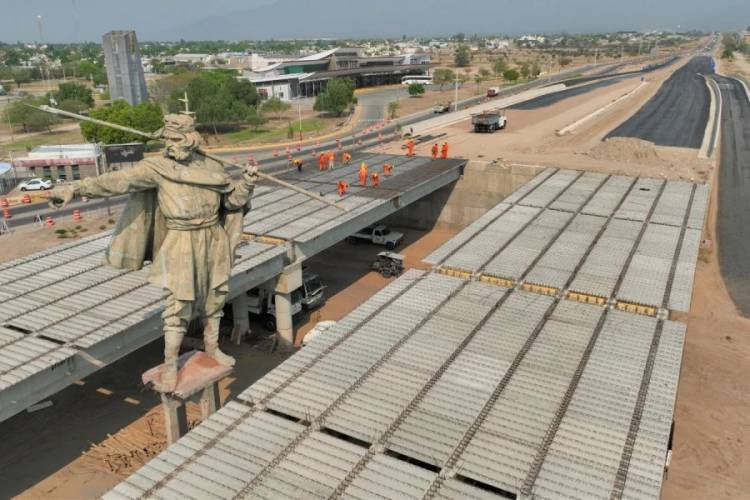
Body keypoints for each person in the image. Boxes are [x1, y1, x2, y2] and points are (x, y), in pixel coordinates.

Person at [49, 114, 257, 392]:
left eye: (175, 138)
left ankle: (213, 347)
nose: (169, 143)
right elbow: (117, 181)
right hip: (181, 240)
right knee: (177, 307)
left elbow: (231, 203)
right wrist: (75, 188)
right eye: (166, 138)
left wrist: (247, 184)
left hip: (213, 238)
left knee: (215, 298)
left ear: (191, 139)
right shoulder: (157, 168)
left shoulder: (211, 166)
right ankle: (171, 364)